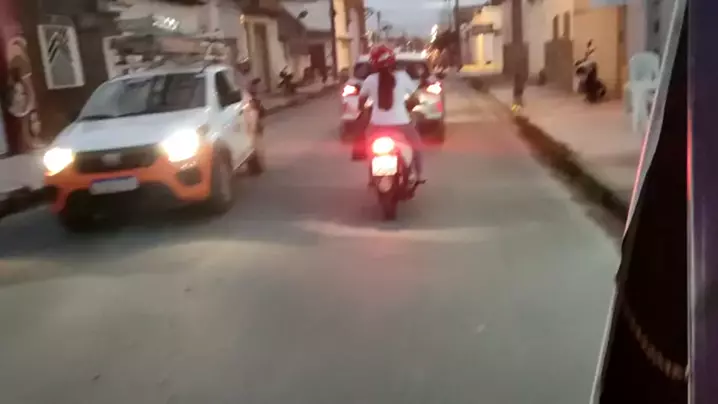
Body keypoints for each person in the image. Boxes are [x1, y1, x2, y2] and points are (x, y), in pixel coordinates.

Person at [357, 44, 424, 181]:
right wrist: (409, 106)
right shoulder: (403, 77)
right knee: (417, 146)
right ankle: (418, 175)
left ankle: (372, 177)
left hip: (377, 125)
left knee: (369, 147)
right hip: (402, 123)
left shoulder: (370, 80)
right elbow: (416, 98)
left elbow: (361, 102)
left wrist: (363, 110)